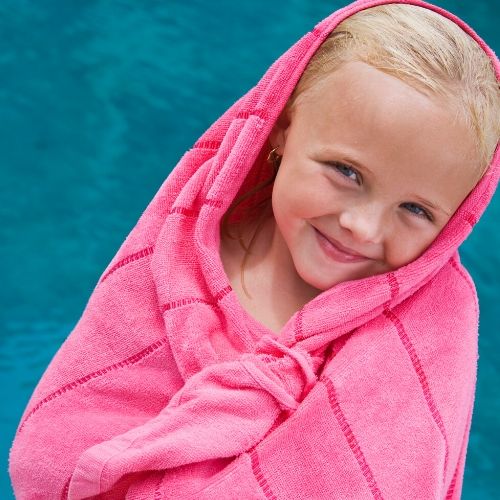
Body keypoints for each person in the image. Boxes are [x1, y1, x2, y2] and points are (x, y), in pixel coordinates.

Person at [9, 1, 499, 499]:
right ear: (283, 126)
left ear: (458, 219)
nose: (363, 227)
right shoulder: (174, 257)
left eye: (416, 210)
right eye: (345, 172)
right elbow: (50, 454)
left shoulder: (428, 333)